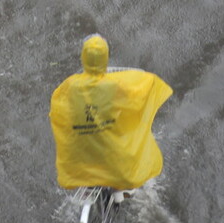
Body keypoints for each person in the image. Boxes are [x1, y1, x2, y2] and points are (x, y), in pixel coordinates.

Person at [49, 35, 173, 192]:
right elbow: (138, 97)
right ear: (105, 58)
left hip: (81, 156)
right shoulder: (116, 85)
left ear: (84, 58)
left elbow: (59, 110)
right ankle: (121, 194)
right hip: (111, 157)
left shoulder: (70, 86)